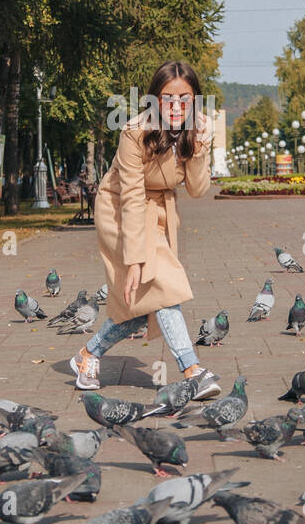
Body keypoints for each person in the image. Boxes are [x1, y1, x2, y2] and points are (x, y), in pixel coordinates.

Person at [70, 60, 219, 398]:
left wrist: (201, 147)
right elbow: (133, 197)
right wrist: (135, 259)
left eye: (185, 98)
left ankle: (87, 354)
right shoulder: (135, 131)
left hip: (162, 213)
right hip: (121, 211)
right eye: (168, 98)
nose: (177, 106)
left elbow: (196, 189)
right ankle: (193, 371)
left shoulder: (195, 130)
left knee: (141, 308)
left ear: (196, 100)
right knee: (160, 287)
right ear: (154, 99)